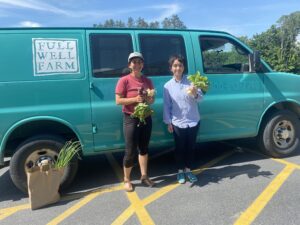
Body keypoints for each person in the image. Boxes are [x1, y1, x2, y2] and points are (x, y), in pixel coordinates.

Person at [115, 52, 155, 192]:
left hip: (146, 116)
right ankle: (127, 179)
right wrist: (134, 100)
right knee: (130, 150)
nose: (137, 64)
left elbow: (151, 100)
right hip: (131, 117)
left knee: (144, 148)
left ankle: (144, 176)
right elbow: (118, 100)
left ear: (142, 64)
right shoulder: (124, 80)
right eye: (134, 62)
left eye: (139, 62)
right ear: (129, 65)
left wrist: (150, 98)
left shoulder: (147, 81)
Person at [163, 55, 203, 184]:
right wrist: (168, 122)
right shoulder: (167, 86)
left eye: (180, 65)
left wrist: (195, 93)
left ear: (183, 67)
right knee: (179, 148)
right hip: (177, 122)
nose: (178, 68)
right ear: (171, 68)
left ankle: (188, 170)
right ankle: (180, 172)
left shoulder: (192, 81)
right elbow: (167, 105)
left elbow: (200, 99)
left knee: (191, 148)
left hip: (193, 120)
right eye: (175, 66)